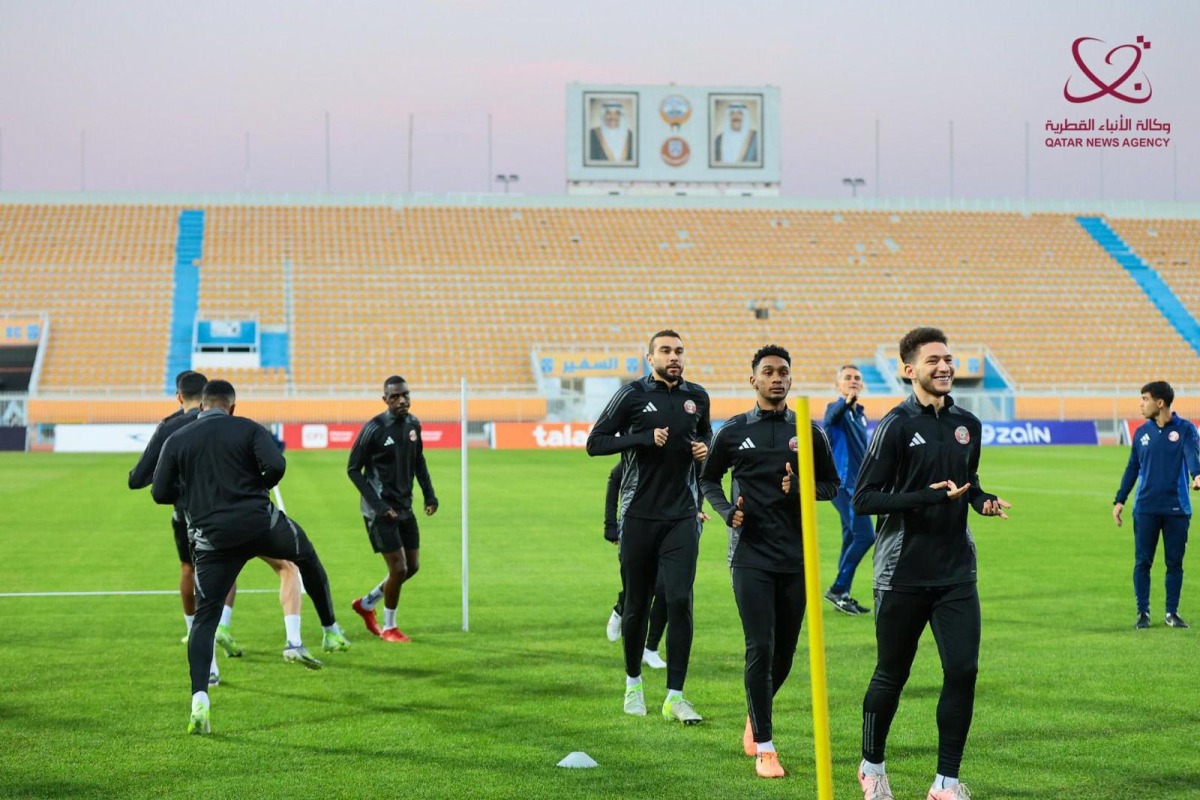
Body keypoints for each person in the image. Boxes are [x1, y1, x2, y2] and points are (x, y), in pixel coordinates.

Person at [853, 327, 1011, 800]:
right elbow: (864, 498)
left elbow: (970, 481)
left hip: (956, 571)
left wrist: (981, 501)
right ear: (909, 370)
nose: (944, 367)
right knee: (892, 674)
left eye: (948, 359)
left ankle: (945, 781)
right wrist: (925, 496)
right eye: (933, 361)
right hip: (902, 572)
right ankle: (872, 766)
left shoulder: (968, 424)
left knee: (962, 671)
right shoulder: (895, 425)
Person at [152, 380, 350, 735]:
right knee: (305, 558)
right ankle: (329, 628)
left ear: (200, 407)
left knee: (205, 618)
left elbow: (159, 491)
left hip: (213, 537)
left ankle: (200, 697)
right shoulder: (248, 428)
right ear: (232, 406)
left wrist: (193, 491)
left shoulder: (177, 439)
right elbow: (277, 465)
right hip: (260, 524)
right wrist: (257, 484)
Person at [699, 345, 839, 779]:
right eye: (768, 372)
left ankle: (754, 714)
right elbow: (707, 478)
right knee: (759, 646)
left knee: (785, 653)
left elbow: (832, 486)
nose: (777, 378)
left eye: (783, 372)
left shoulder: (810, 432)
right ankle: (765, 745)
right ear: (754, 379)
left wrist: (801, 487)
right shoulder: (734, 430)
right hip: (750, 555)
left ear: (791, 380)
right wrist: (726, 512)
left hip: (797, 557)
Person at [129, 371, 310, 686]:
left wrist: (179, 490)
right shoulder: (230, 426)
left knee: (197, 582)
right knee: (279, 565)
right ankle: (289, 639)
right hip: (238, 514)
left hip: (189, 521)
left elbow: (138, 480)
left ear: (179, 396)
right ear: (208, 398)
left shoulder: (170, 428)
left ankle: (206, 662)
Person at [586, 329, 711, 725]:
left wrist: (704, 446)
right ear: (649, 357)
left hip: (682, 517)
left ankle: (675, 696)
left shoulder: (698, 397)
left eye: (678, 351)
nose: (673, 356)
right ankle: (633, 684)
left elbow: (704, 435)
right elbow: (596, 442)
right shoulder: (632, 395)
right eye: (665, 351)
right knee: (637, 604)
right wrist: (641, 437)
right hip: (638, 515)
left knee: (679, 602)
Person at [347, 376, 439, 643]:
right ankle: (389, 627)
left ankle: (366, 604)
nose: (402, 400)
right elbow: (353, 470)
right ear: (385, 399)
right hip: (379, 511)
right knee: (398, 569)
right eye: (396, 396)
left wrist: (429, 495)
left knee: (412, 566)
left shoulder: (413, 425)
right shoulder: (374, 429)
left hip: (405, 507)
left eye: (405, 395)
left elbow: (419, 461)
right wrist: (378, 505)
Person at [1113, 380, 1200, 630]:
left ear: (1159, 403)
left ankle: (1172, 613)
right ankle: (1143, 613)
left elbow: (1192, 454)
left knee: (1174, 563)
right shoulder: (1141, 433)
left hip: (1177, 509)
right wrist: (1120, 499)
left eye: (1145, 399)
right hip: (1146, 508)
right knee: (1143, 562)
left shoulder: (1186, 430)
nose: (1141, 404)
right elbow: (1132, 468)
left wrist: (1197, 475)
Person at [604, 460, 668, 670]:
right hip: (635, 529)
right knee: (640, 589)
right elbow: (615, 479)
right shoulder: (640, 454)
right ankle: (622, 606)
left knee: (667, 588)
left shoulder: (681, 452)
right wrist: (610, 525)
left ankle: (650, 648)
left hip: (670, 529)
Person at [823, 365, 875, 615]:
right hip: (843, 486)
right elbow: (829, 418)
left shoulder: (861, 415)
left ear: (861, 384)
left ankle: (842, 594)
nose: (853, 381)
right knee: (866, 536)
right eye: (847, 378)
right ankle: (838, 588)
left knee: (852, 537)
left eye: (857, 378)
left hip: (858, 485)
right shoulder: (838, 410)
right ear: (838, 385)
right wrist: (845, 402)